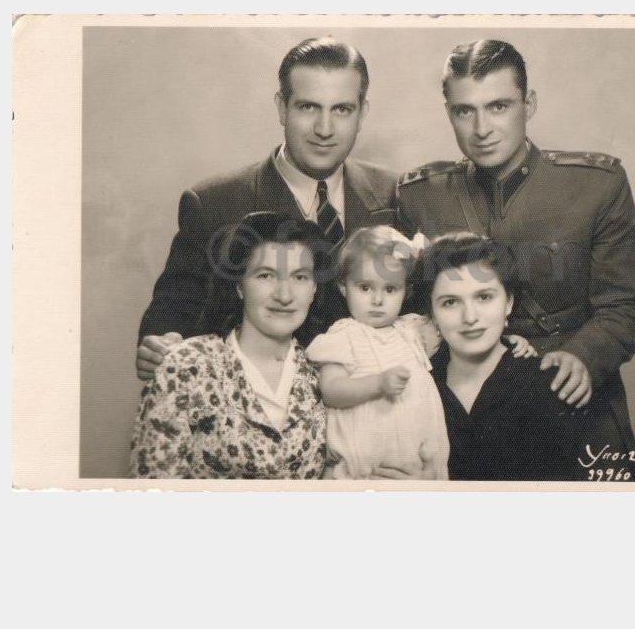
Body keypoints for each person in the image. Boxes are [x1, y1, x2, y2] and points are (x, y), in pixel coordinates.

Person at [396, 39, 635, 479]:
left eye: (498, 106)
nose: (482, 128)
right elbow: (411, 308)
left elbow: (626, 305)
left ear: (528, 104)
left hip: (569, 398)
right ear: (449, 112)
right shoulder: (420, 196)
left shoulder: (595, 186)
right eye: (465, 111)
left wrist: (583, 357)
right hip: (462, 412)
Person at [136, 37, 398, 380]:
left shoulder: (395, 194)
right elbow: (171, 319)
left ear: (362, 113)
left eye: (342, 110)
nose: (324, 129)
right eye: (308, 107)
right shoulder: (213, 204)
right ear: (282, 108)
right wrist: (161, 345)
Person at [129, 212, 331, 479]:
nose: (284, 295)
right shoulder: (186, 367)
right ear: (239, 286)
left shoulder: (324, 375)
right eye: (265, 275)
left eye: (300, 277)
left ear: (314, 288)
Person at [415, 233, 609, 481]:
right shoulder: (417, 384)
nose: (470, 317)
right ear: (432, 313)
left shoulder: (548, 386)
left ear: (508, 302)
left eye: (484, 297)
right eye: (450, 302)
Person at [305, 226, 450, 479]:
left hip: (421, 468)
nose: (377, 300)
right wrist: (378, 384)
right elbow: (331, 391)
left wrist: (512, 338)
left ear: (405, 291)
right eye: (365, 287)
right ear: (344, 287)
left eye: (390, 289)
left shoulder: (413, 330)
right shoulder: (343, 335)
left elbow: (458, 327)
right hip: (364, 472)